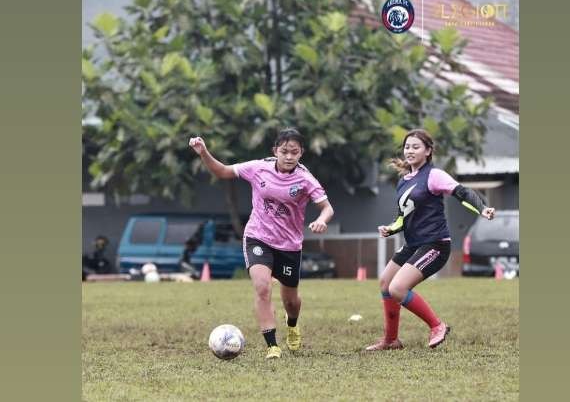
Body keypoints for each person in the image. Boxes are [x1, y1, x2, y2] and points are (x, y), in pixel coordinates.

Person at [189, 128, 334, 359]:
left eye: (294, 152)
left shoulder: (305, 179)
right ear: (275, 150)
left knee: (291, 301)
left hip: (289, 245)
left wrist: (321, 220)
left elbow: (327, 208)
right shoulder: (258, 168)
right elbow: (223, 171)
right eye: (284, 151)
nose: (289, 156)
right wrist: (203, 152)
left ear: (301, 153)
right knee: (262, 287)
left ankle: (293, 325)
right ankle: (272, 346)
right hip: (258, 236)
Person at [365, 129, 495, 351]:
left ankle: (437, 326)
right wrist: (391, 228)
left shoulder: (434, 175)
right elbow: (401, 218)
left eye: (416, 146)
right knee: (386, 283)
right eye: (407, 146)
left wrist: (481, 208)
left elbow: (461, 192)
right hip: (413, 244)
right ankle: (391, 340)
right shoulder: (404, 181)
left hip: (435, 244)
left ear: (428, 151)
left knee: (398, 288)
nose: (410, 150)